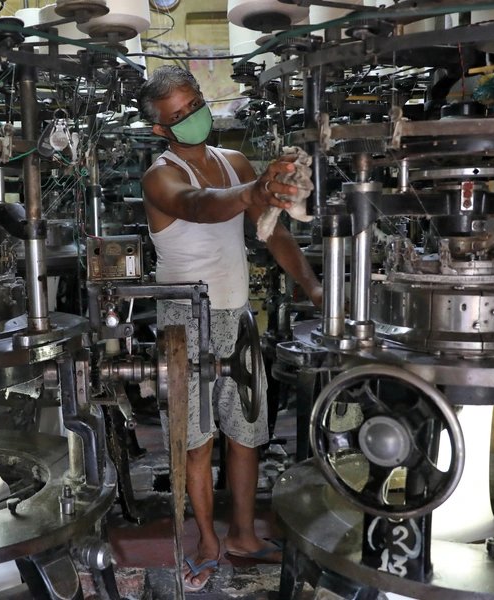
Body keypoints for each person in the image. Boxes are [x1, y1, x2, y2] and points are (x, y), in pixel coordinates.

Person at [137, 66, 322, 592]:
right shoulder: (161, 174)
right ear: (160, 130)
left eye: (195, 105)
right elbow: (198, 206)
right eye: (178, 116)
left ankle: (240, 533)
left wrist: (314, 289)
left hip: (235, 315)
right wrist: (253, 192)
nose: (193, 118)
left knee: (245, 434)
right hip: (183, 319)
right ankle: (206, 541)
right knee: (197, 442)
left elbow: (275, 233)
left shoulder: (234, 161)